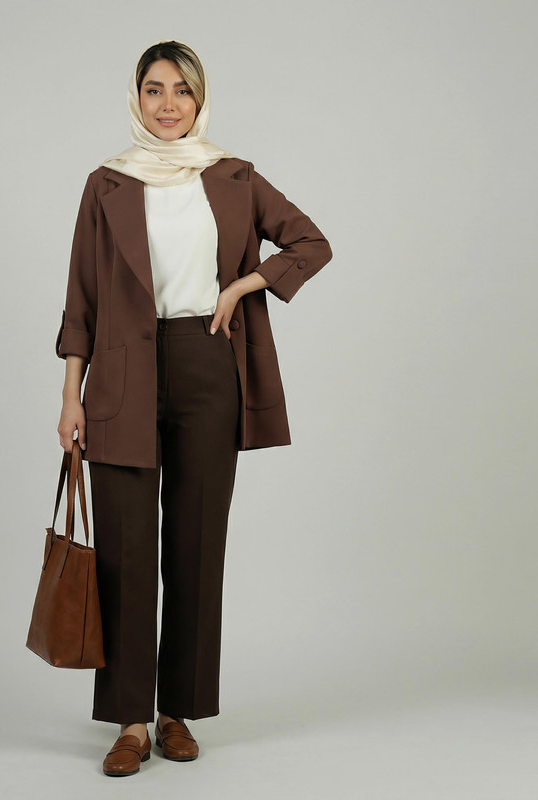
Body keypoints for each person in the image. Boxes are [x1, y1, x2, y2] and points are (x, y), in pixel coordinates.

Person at [55, 39, 332, 777]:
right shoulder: (106, 183)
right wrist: (70, 392)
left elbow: (310, 242)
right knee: (124, 550)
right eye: (155, 89)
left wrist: (243, 285)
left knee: (196, 543)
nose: (169, 104)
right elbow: (81, 294)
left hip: (207, 365)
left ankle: (177, 711)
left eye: (182, 90)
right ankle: (130, 721)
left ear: (200, 99)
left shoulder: (233, 176)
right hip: (120, 373)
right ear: (136, 98)